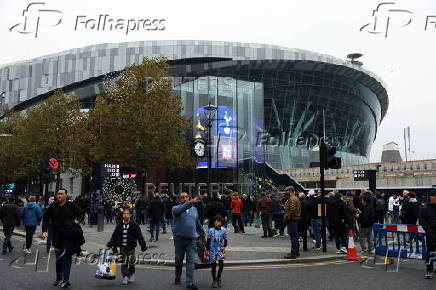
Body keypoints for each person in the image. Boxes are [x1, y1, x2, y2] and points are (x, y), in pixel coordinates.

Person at [42, 189, 83, 288]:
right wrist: (44, 230)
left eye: (61, 194)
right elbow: (46, 217)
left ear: (66, 195)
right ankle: (59, 278)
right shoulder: (53, 206)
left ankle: (66, 279)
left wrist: (77, 221)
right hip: (56, 236)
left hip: (69, 236)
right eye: (58, 194)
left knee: (67, 256)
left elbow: (80, 213)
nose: (59, 195)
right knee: (59, 258)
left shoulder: (71, 205)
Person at [172, 192, 206, 290]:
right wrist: (191, 202)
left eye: (186, 197)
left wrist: (203, 233)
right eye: (183, 197)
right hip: (179, 239)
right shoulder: (175, 209)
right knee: (178, 260)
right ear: (180, 199)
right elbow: (182, 208)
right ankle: (177, 277)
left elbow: (197, 222)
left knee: (190, 261)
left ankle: (189, 282)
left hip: (191, 239)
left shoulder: (194, 209)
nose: (185, 199)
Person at [107, 207, 147, 285]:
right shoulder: (119, 225)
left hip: (131, 247)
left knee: (132, 261)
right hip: (122, 247)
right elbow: (114, 236)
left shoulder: (133, 224)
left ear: (130, 215)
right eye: (124, 213)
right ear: (122, 215)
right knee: (124, 262)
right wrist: (110, 245)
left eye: (127, 214)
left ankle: (131, 273)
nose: (126, 215)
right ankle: (125, 276)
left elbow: (139, 236)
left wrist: (143, 246)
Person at [207, 215, 227, 288]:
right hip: (212, 250)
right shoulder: (210, 230)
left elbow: (225, 240)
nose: (216, 222)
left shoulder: (224, 230)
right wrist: (208, 251)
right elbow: (208, 241)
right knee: (213, 266)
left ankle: (218, 277)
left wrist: (224, 246)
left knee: (221, 265)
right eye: (215, 221)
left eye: (218, 221)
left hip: (221, 251)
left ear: (221, 223)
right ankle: (214, 280)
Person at [420, 190, 436, 279]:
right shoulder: (425, 208)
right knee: (430, 253)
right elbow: (423, 221)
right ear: (431, 197)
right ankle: (429, 270)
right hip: (430, 234)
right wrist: (428, 231)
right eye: (434, 196)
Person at [283, 186, 301, 259]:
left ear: (290, 191)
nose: (285, 192)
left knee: (293, 237)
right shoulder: (294, 198)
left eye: (286, 190)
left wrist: (287, 217)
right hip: (294, 219)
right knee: (295, 236)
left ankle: (293, 253)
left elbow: (292, 210)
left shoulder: (292, 198)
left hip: (292, 220)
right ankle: (296, 252)